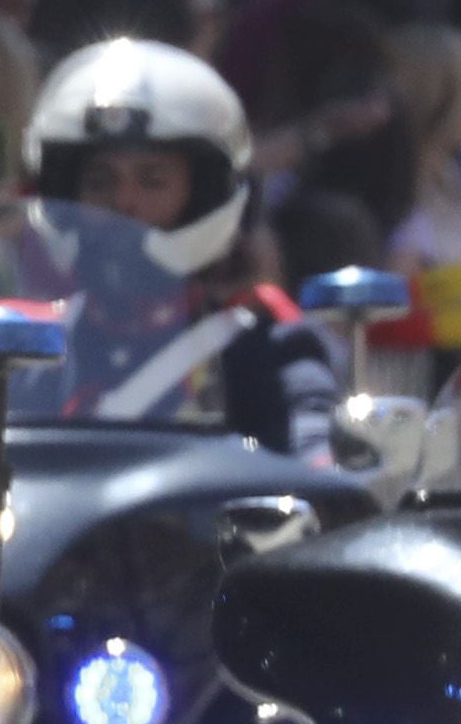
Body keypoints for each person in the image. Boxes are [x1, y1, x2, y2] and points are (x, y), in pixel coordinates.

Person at [20, 36, 342, 452]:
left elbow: (316, 464)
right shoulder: (22, 352)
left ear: (201, 198)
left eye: (152, 181)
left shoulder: (268, 350)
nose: (124, 202)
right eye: (101, 182)